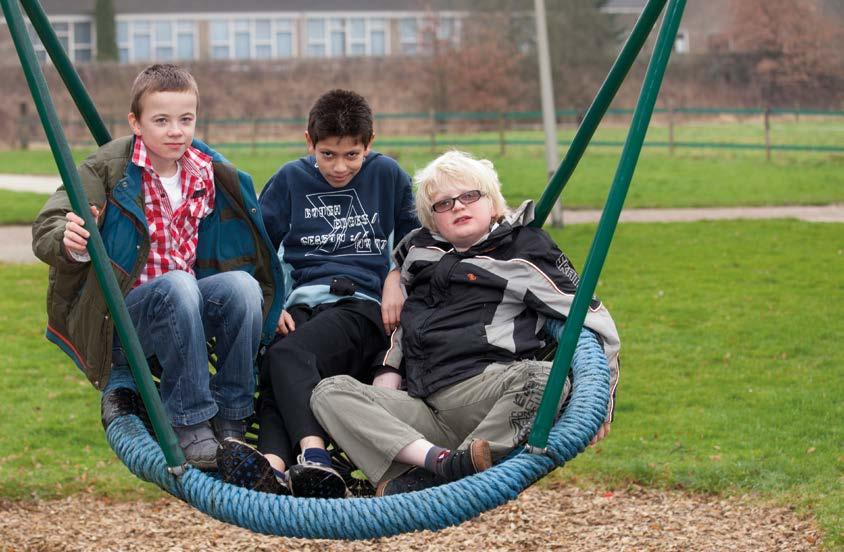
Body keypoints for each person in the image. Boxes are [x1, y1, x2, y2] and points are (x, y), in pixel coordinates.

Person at [309, 150, 621, 495]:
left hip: (484, 394)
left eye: (470, 196)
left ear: (493, 202)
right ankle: (435, 466)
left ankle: (450, 475)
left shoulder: (524, 251)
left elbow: (593, 320)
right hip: (421, 404)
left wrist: (601, 403)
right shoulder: (420, 249)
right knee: (330, 391)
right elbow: (404, 294)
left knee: (546, 377)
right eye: (444, 204)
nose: (458, 207)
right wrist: (392, 282)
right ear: (433, 220)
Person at [32, 64, 283, 471]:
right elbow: (48, 224)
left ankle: (233, 417)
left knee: (241, 287)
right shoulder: (107, 170)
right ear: (136, 122)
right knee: (178, 285)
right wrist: (69, 238)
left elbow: (243, 251)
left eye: (186, 120)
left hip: (182, 314)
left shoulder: (205, 171)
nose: (175, 131)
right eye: (161, 120)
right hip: (124, 325)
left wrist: (271, 302)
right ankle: (189, 421)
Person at [217, 89, 418, 498]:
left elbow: (418, 241)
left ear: (369, 144)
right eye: (327, 154)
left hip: (362, 309)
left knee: (286, 356)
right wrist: (271, 307)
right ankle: (272, 467)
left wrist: (395, 275)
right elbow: (254, 252)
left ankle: (316, 456)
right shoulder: (291, 180)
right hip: (304, 305)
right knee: (279, 361)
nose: (339, 167)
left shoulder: (387, 175)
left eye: (351, 155)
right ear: (308, 143)